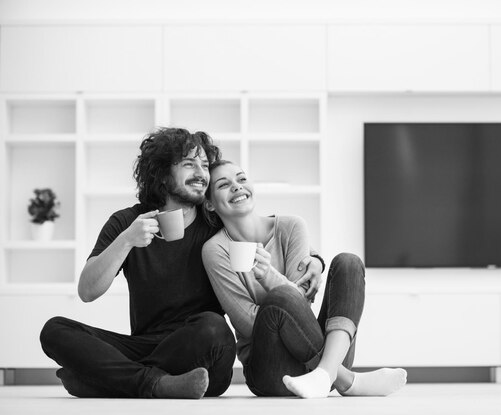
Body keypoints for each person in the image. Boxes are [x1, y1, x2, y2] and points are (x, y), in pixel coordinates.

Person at [38, 127, 321, 399]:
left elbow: (262, 231)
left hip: (204, 348)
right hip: (146, 346)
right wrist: (126, 241)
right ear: (162, 174)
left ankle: (109, 379)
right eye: (189, 164)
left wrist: (315, 260)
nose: (201, 174)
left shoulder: (213, 222)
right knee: (55, 330)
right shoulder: (127, 223)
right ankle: (156, 383)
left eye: (204, 165)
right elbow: (88, 291)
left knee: (213, 327)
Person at [202, 160, 407, 398]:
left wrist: (269, 276)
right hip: (269, 370)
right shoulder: (215, 249)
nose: (237, 187)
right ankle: (344, 378)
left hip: (315, 357)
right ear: (209, 203)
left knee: (348, 263)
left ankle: (325, 374)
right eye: (224, 185)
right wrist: (274, 291)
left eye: (241, 178)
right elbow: (248, 324)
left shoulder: (291, 227)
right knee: (282, 296)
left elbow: (302, 303)